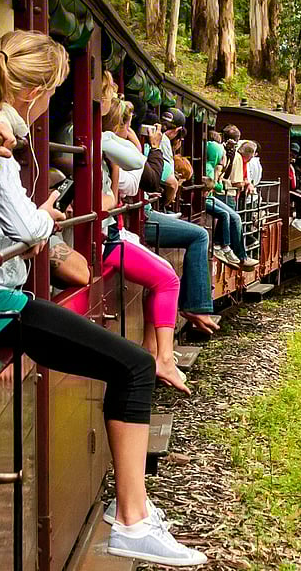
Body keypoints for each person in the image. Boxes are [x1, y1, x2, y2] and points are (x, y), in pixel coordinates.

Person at [0, 30, 207, 566]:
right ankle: (131, 520)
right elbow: (22, 225)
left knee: (128, 365)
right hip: (0, 305)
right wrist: (45, 218)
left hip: (2, 299)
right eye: (51, 91)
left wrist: (37, 220)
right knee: (132, 365)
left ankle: (133, 511)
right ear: (33, 91)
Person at [100, 93, 190, 395]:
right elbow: (149, 177)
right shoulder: (105, 142)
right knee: (167, 279)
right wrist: (146, 147)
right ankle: (162, 357)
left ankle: (154, 351)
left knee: (163, 274)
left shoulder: (103, 143)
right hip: (103, 240)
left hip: (110, 234)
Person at [203, 130, 252, 268]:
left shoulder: (219, 162)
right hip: (210, 197)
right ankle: (224, 247)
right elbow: (216, 184)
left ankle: (237, 253)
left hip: (212, 196)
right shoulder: (210, 166)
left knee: (235, 217)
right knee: (228, 216)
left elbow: (219, 179)